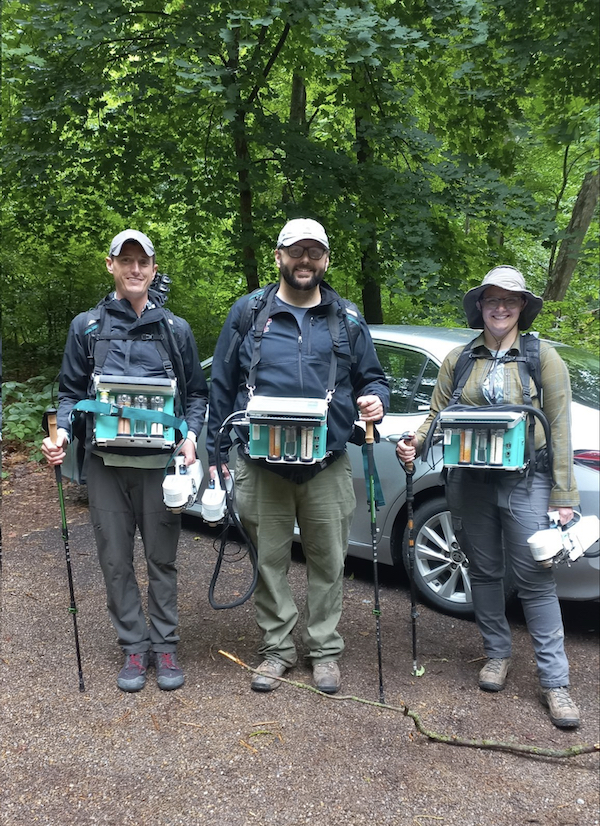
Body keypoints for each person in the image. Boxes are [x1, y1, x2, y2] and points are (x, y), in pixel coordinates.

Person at [206, 218, 389, 695]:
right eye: (296, 251)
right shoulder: (249, 313)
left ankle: (325, 651)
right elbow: (221, 385)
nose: (305, 260)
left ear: (326, 260)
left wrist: (376, 401)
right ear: (279, 256)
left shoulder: (346, 319)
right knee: (269, 561)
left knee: (328, 561)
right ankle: (278, 650)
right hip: (260, 463)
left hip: (326, 462)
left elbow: (373, 378)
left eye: (315, 252)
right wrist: (216, 452)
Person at [397, 265, 581, 728]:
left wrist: (564, 494)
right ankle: (496, 654)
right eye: (492, 300)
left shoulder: (543, 358)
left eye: (510, 300)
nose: (500, 307)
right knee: (482, 570)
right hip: (467, 481)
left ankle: (555, 683)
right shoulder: (460, 359)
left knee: (535, 577)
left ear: (522, 308)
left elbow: (559, 428)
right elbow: (436, 415)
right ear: (479, 306)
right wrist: (414, 443)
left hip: (527, 480)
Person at [42, 230, 208, 693]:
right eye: (126, 260)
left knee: (162, 558)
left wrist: (191, 436)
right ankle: (134, 646)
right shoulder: (87, 328)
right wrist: (60, 436)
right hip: (105, 466)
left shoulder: (175, 330)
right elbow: (71, 395)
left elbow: (196, 393)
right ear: (111, 265)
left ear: (154, 269)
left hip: (160, 469)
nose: (135, 269)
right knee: (114, 559)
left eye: (143, 262)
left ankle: (166, 644)